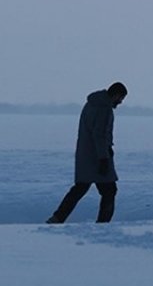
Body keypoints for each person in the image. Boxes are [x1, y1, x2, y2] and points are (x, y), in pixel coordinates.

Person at [47, 82, 128, 224]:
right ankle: (103, 225)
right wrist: (104, 158)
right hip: (97, 157)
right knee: (109, 191)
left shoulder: (91, 104)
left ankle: (57, 218)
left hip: (85, 155)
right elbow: (100, 135)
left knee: (79, 189)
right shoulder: (104, 109)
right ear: (115, 95)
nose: (120, 102)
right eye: (121, 98)